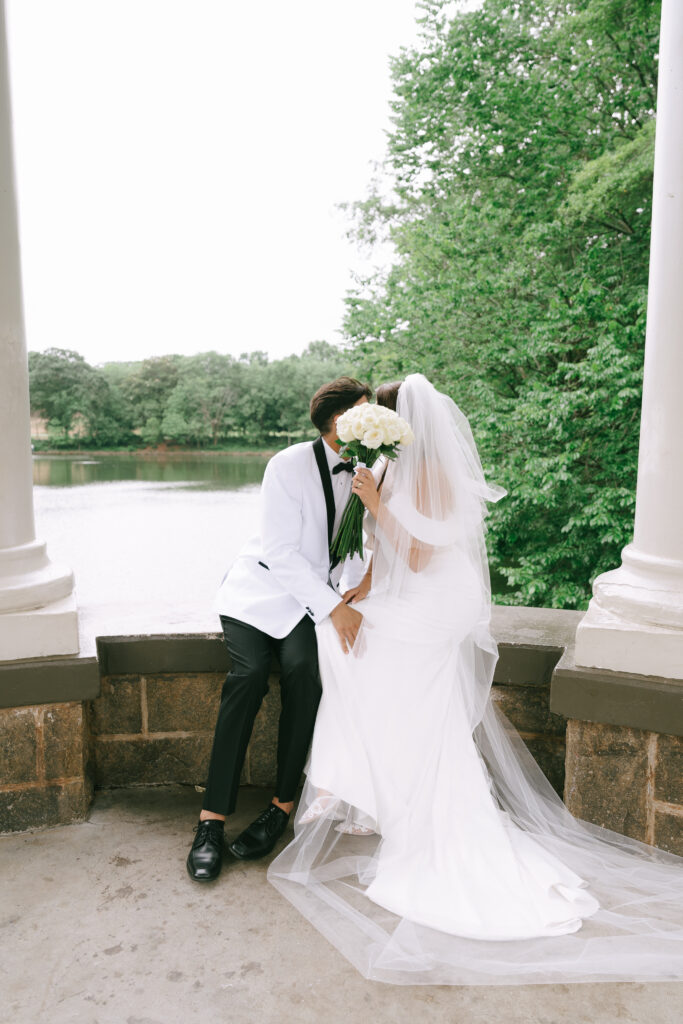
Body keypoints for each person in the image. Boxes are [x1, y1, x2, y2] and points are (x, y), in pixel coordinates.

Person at [268, 373, 683, 985]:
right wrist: (361, 588)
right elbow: (385, 554)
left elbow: (418, 555)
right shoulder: (390, 467)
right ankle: (374, 789)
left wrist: (376, 504)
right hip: (408, 588)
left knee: (366, 656)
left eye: (379, 420)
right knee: (349, 642)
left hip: (439, 598)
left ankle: (371, 793)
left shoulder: (430, 473)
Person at [186, 376, 371, 882]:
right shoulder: (286, 465)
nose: (371, 418)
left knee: (305, 674)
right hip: (259, 594)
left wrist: (352, 591)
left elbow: (352, 545)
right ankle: (210, 822)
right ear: (337, 420)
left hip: (308, 603)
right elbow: (280, 552)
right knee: (246, 679)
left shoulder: (366, 469)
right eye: (363, 411)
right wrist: (334, 607)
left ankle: (280, 807)